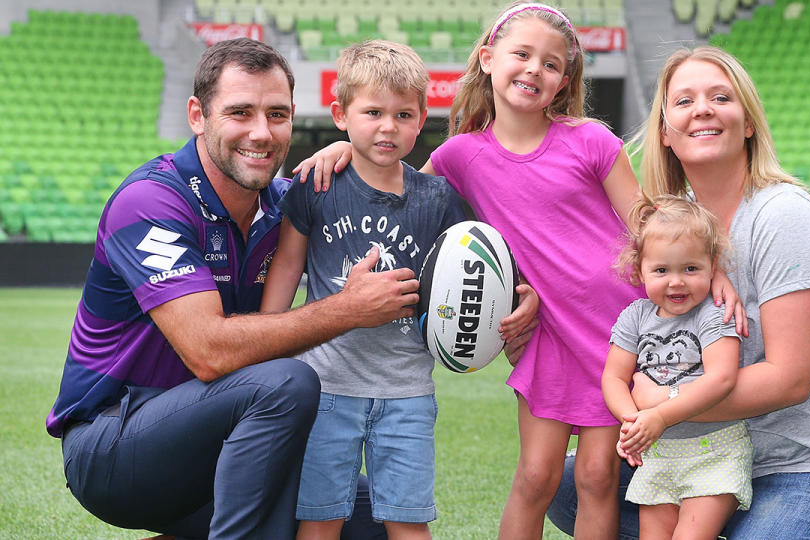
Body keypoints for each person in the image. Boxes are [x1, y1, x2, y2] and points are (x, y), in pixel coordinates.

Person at [295, 4, 746, 539]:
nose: (535, 69)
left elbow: (650, 226)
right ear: (488, 58)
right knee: (537, 475)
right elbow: (397, 188)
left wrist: (707, 269)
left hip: (616, 333)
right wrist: (346, 143)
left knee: (599, 476)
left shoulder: (592, 141)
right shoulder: (461, 155)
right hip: (546, 335)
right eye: (522, 54)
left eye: (552, 64)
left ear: (564, 81)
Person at [45, 38, 421, 540]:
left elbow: (406, 200)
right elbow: (209, 352)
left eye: (278, 115)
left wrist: (351, 150)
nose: (262, 133)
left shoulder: (289, 206)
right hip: (115, 447)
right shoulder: (150, 202)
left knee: (374, 519)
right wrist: (346, 310)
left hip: (222, 440)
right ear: (198, 115)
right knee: (286, 383)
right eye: (240, 112)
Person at [547, 45, 810, 539]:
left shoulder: (782, 214)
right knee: (573, 483)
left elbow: (789, 379)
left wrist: (661, 402)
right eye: (684, 101)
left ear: (749, 122)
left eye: (720, 97)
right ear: (665, 132)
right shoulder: (671, 229)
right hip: (700, 455)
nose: (703, 109)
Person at [260, 40, 469, 540]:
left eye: (403, 114)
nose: (387, 127)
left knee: (408, 519)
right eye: (372, 112)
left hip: (408, 390)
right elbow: (288, 267)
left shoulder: (438, 198)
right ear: (340, 113)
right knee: (320, 517)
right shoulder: (317, 186)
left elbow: (465, 275)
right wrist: (268, 343)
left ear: (422, 120)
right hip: (326, 386)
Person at [602, 195, 751, 539]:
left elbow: (723, 378)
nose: (676, 282)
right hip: (657, 453)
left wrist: (659, 415)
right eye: (661, 270)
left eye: (690, 268)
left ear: (712, 266)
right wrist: (632, 422)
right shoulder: (635, 317)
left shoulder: (714, 315)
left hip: (714, 452)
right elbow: (613, 376)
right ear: (639, 270)